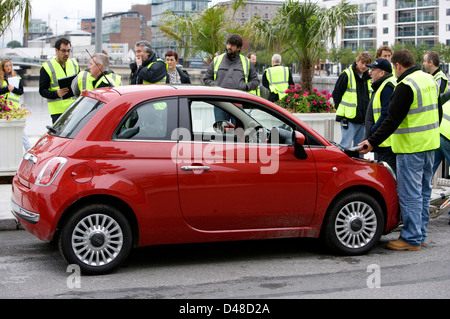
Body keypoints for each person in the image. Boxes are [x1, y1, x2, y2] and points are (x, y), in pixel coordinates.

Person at [359, 49, 441, 251]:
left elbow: (391, 121)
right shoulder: (428, 79)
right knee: (423, 192)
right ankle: (420, 234)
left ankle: (411, 239)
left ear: (397, 66)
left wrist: (371, 142)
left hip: (410, 147)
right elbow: (437, 110)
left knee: (410, 194)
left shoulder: (405, 85)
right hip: (430, 144)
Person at [333, 51, 373, 149]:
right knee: (345, 146)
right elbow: (336, 94)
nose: (363, 66)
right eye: (362, 63)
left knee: (360, 148)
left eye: (366, 65)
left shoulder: (368, 77)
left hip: (362, 119)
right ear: (357, 61)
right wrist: (341, 110)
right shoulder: (347, 74)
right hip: (349, 119)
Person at [364, 58, 397, 172]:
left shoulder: (387, 86)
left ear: (382, 73)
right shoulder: (383, 85)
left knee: (388, 177)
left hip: (387, 144)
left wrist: (373, 131)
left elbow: (386, 114)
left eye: (373, 70)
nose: (370, 73)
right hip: (383, 141)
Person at [39, 38, 80, 123]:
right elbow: (42, 91)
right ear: (56, 50)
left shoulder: (74, 64)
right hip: (58, 112)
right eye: (63, 51)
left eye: (69, 51)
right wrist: (56, 94)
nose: (66, 54)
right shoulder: (47, 67)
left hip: (75, 109)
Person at [0, 58, 31, 150]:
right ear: (3, 67)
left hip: (14, 109)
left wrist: (13, 89)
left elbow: (21, 91)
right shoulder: (1, 79)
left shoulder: (16, 77)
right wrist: (7, 89)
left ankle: (28, 150)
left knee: (21, 132)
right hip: (3, 109)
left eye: (10, 65)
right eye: (6, 66)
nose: (9, 68)